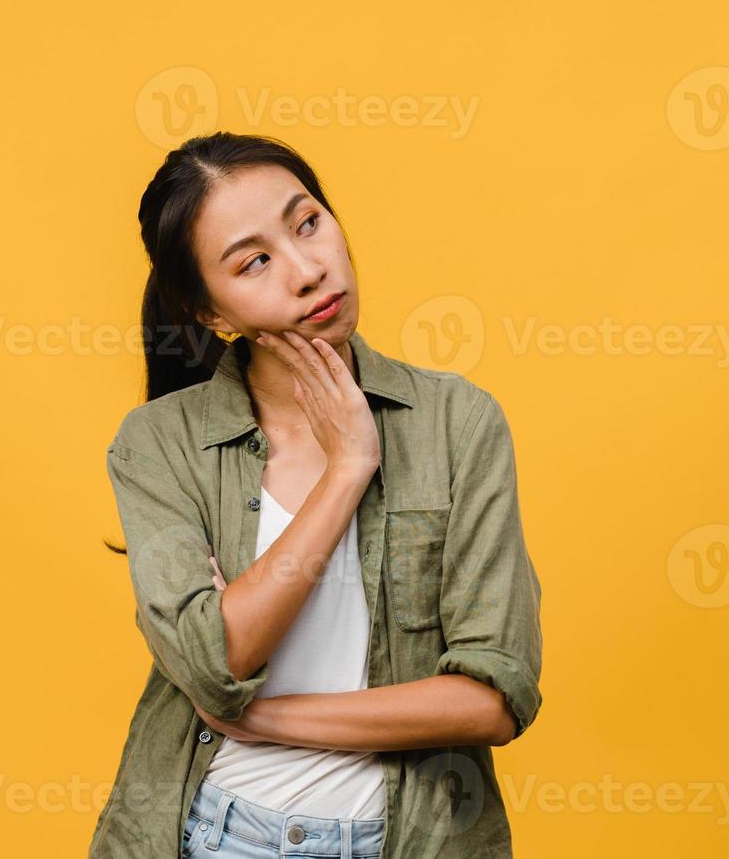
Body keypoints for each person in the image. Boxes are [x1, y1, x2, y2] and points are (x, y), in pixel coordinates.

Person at [90, 132, 543, 859]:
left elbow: (492, 698)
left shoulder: (459, 424)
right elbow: (217, 663)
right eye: (255, 261)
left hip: (411, 842)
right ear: (211, 313)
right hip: (215, 837)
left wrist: (264, 718)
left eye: (308, 223)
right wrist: (347, 470)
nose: (308, 270)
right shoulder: (158, 445)